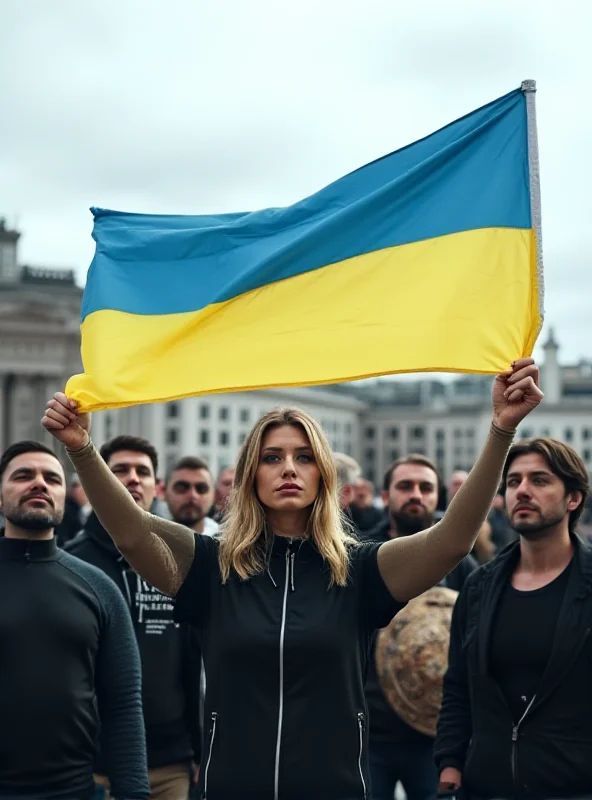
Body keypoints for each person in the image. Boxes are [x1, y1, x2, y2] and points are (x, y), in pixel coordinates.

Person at [42, 358, 542, 800]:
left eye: (304, 457)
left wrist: (501, 429)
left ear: (323, 475)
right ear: (250, 475)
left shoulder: (360, 571)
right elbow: (132, 532)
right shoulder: (210, 566)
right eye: (272, 456)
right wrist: (82, 449)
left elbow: (453, 538)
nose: (289, 469)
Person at [436, 437, 592, 800]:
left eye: (539, 480)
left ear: (574, 498)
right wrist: (449, 764)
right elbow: (458, 686)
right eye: (513, 482)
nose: (522, 490)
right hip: (486, 787)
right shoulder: (479, 587)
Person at [0, 440, 148, 800]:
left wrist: (134, 793)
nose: (40, 484)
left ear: (65, 498)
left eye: (52, 478)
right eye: (23, 476)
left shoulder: (99, 588)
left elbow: (124, 704)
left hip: (74, 791)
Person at [65, 435, 201, 800]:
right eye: (119, 471)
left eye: (143, 471)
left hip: (170, 762)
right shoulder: (71, 564)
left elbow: (192, 659)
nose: (132, 479)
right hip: (95, 764)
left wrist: (200, 747)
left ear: (157, 487)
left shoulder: (179, 561)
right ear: (99, 483)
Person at [362, 454, 478, 800]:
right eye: (405, 486)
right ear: (386, 495)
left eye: (425, 487)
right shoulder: (359, 555)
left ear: (437, 497)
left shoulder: (462, 564)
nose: (416, 494)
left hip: (435, 739)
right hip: (368, 737)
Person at [164, 456, 219, 537]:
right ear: (164, 492)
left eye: (201, 488)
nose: (192, 495)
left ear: (214, 495)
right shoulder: (147, 543)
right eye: (181, 488)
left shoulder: (229, 544)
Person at [54, 471, 91, 545]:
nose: (79, 490)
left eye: (83, 484)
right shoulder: (65, 513)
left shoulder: (102, 512)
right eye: (75, 486)